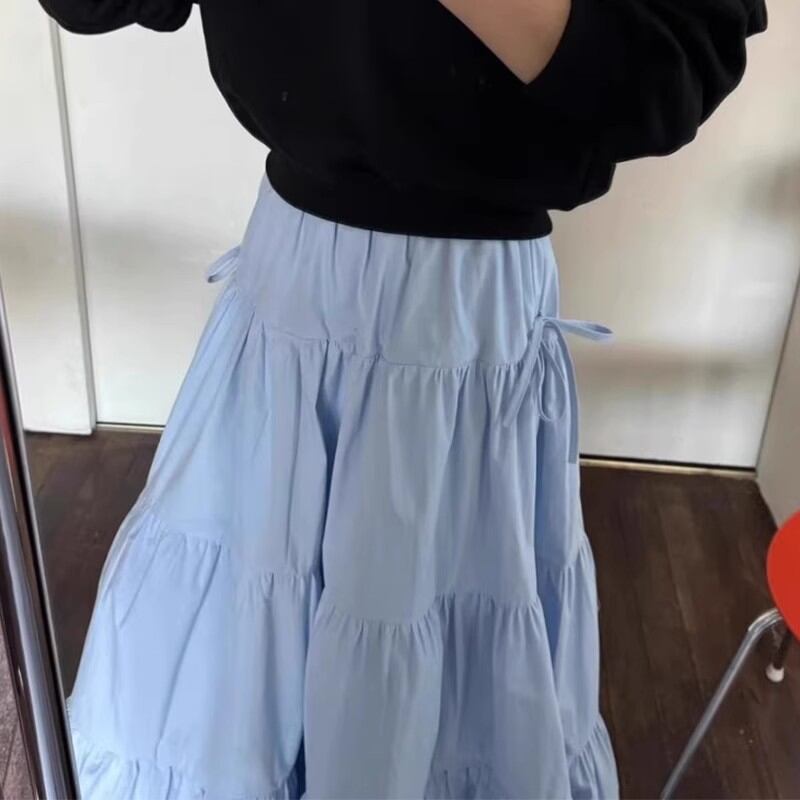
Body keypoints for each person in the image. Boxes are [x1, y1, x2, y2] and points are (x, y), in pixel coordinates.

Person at [37, 0, 767, 797]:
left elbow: (670, 67)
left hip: (464, 323)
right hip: (291, 297)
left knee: (417, 683)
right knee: (236, 688)